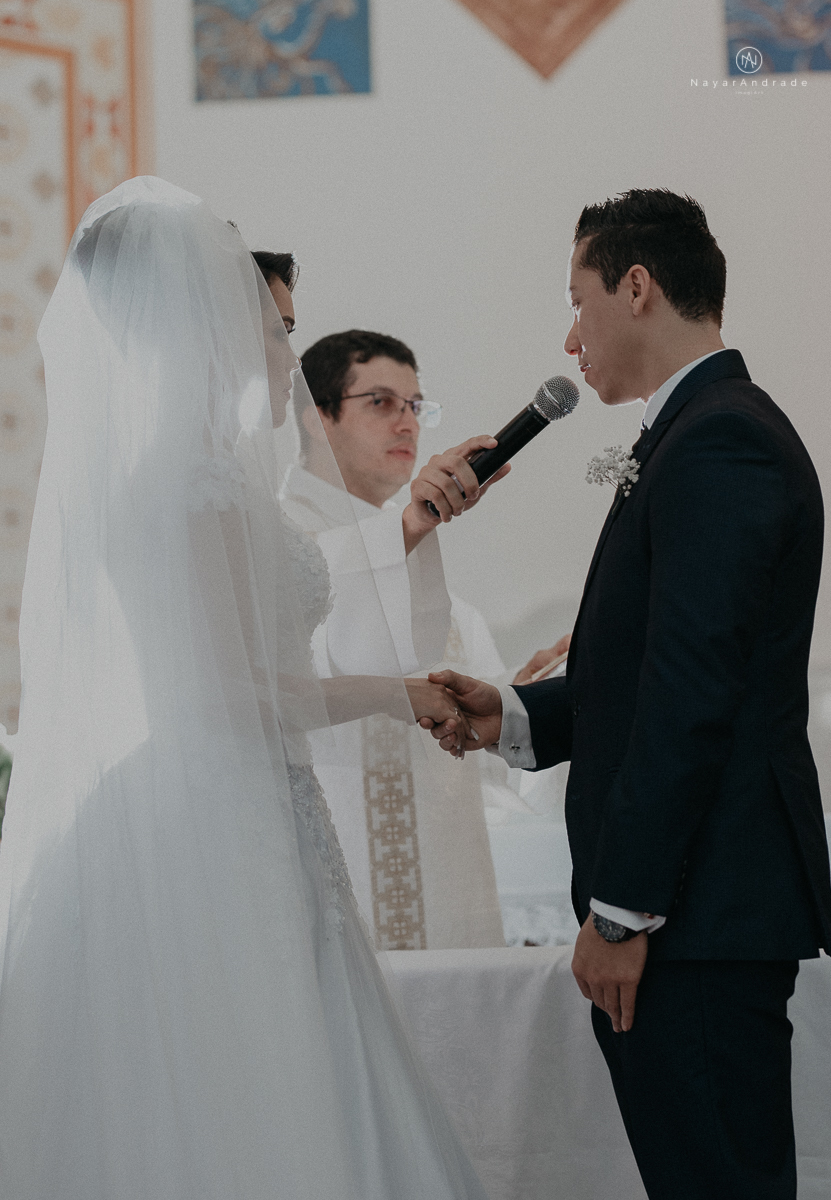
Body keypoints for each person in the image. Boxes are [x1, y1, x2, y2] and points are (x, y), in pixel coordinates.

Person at [0, 176, 489, 1200]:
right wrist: (398, 692)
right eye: (274, 332)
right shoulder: (193, 486)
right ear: (207, 332)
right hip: (221, 814)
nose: (284, 355)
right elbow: (233, 698)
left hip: (249, 802)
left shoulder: (194, 476)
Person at [427, 188, 831, 1199]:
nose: (570, 338)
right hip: (694, 909)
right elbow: (655, 672)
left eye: (578, 302)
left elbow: (693, 697)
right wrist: (515, 714)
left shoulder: (721, 440)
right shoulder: (697, 429)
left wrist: (619, 916)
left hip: (692, 912)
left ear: (637, 286)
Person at [259, 303, 568, 948]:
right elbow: (295, 678)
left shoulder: (426, 578)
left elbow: (481, 750)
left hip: (450, 895)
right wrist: (410, 521)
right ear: (318, 417)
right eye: (381, 402)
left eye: (416, 406)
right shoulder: (273, 537)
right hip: (331, 889)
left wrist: (520, 695)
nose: (407, 421)